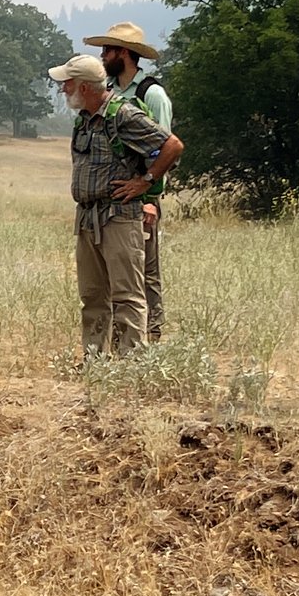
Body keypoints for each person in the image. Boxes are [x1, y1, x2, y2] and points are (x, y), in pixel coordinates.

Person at [51, 53, 183, 357]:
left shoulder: (122, 114)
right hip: (87, 217)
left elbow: (172, 145)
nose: (63, 89)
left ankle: (132, 362)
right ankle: (95, 359)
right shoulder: (84, 120)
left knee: (127, 294)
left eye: (67, 83)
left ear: (84, 87)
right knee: (93, 295)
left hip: (119, 217)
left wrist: (145, 182)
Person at [85, 21, 173, 342]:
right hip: (111, 201)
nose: (102, 55)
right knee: (113, 273)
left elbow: (163, 149)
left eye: (107, 49)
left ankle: (152, 334)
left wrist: (149, 195)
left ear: (124, 53)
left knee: (145, 271)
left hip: (142, 196)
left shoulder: (152, 94)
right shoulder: (107, 91)